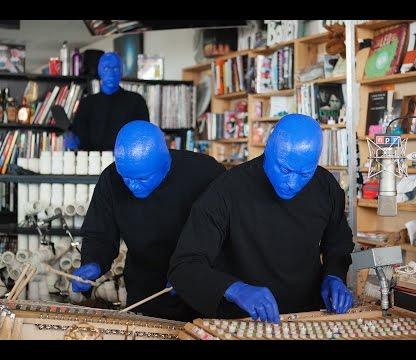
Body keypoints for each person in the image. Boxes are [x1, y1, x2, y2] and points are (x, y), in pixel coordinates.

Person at [168, 113, 354, 323]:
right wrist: (235, 289)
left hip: (306, 317)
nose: (292, 182)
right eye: (284, 169)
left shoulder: (326, 187)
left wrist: (334, 276)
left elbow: (338, 245)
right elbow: (184, 266)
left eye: (304, 174)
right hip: (241, 320)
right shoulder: (226, 190)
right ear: (268, 148)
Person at [71, 120, 226, 321]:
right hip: (146, 288)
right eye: (126, 177)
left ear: (165, 162)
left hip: (202, 286)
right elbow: (99, 233)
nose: (132, 186)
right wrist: (94, 263)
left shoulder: (206, 172)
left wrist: (193, 273)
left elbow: (228, 233)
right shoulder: (111, 178)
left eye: (142, 179)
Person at [65, 51, 150, 151]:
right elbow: (78, 139)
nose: (111, 73)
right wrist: (73, 140)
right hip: (92, 162)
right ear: (99, 71)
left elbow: (144, 136)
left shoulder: (136, 101)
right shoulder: (86, 104)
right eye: (106, 68)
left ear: (122, 71)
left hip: (124, 163)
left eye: (115, 68)